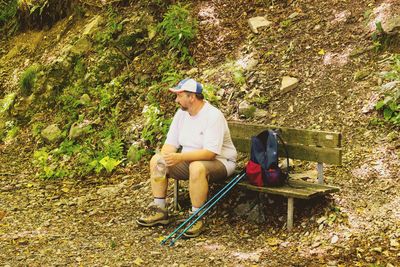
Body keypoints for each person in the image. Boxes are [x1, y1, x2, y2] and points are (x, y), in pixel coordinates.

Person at [136, 78, 237, 237]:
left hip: (221, 162)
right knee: (157, 160)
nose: (176, 100)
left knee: (196, 167)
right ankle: (159, 208)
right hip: (188, 161)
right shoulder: (181, 115)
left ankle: (197, 216)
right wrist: (166, 157)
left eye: (179, 96)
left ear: (192, 97)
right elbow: (170, 144)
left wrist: (180, 157)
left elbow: (210, 153)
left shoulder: (213, 115)